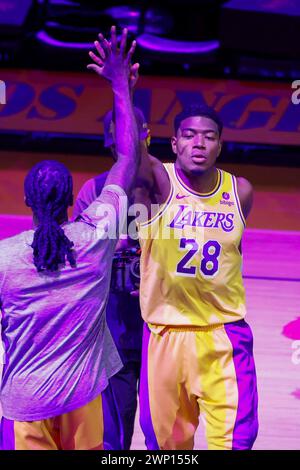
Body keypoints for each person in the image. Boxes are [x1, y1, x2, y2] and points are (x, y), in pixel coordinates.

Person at [0, 25, 140, 450]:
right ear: (70, 198)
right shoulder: (96, 236)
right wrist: (120, 84)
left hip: (26, 401)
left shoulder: (6, 258)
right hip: (81, 397)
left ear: (25, 198)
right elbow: (129, 156)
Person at [134, 103, 259, 450]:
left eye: (209, 137)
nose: (199, 143)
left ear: (220, 145)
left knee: (236, 442)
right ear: (174, 144)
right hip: (165, 333)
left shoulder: (240, 191)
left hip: (223, 333)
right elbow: (130, 153)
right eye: (189, 136)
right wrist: (120, 87)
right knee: (165, 447)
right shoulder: (158, 183)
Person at [73, 107, 150, 450]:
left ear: (145, 135)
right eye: (118, 132)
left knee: (162, 430)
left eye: (132, 132)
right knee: (113, 433)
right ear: (108, 140)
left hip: (160, 328)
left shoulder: (164, 187)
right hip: (113, 328)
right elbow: (79, 260)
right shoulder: (93, 190)